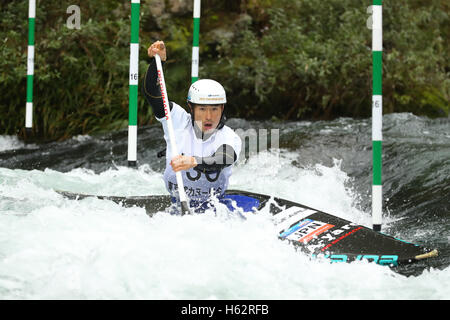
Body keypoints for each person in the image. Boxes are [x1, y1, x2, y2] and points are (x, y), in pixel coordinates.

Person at [142, 40, 242, 213]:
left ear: (222, 108)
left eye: (215, 109)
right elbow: (152, 93)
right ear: (191, 107)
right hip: (176, 202)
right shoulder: (178, 121)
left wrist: (193, 161)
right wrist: (158, 62)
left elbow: (224, 158)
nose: (209, 116)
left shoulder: (229, 136)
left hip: (214, 205)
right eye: (202, 109)